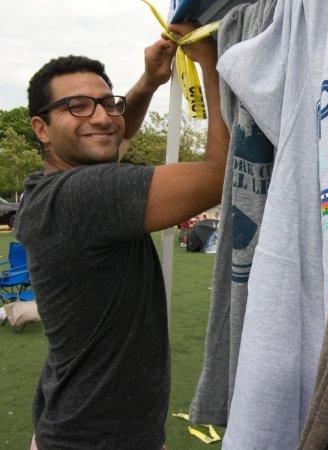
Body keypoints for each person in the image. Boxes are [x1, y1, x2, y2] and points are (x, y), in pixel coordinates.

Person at [16, 22, 229, 450]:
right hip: (99, 438)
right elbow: (220, 173)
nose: (100, 117)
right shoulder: (87, 195)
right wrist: (211, 61)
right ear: (41, 129)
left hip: (76, 421)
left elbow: (116, 135)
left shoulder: (45, 190)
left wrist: (149, 82)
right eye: (77, 107)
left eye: (107, 103)